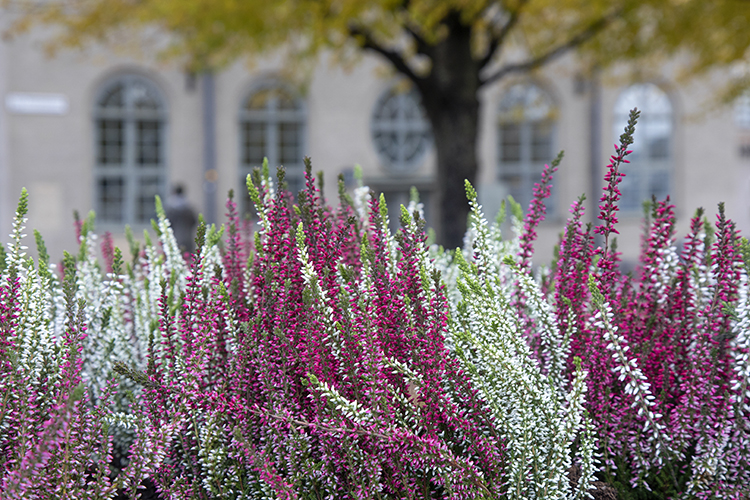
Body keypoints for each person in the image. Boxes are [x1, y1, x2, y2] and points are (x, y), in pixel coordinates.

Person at [164, 184, 198, 254]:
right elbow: (194, 221)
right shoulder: (188, 207)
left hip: (175, 237)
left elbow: (167, 223)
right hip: (187, 237)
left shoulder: (170, 207)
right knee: (188, 258)